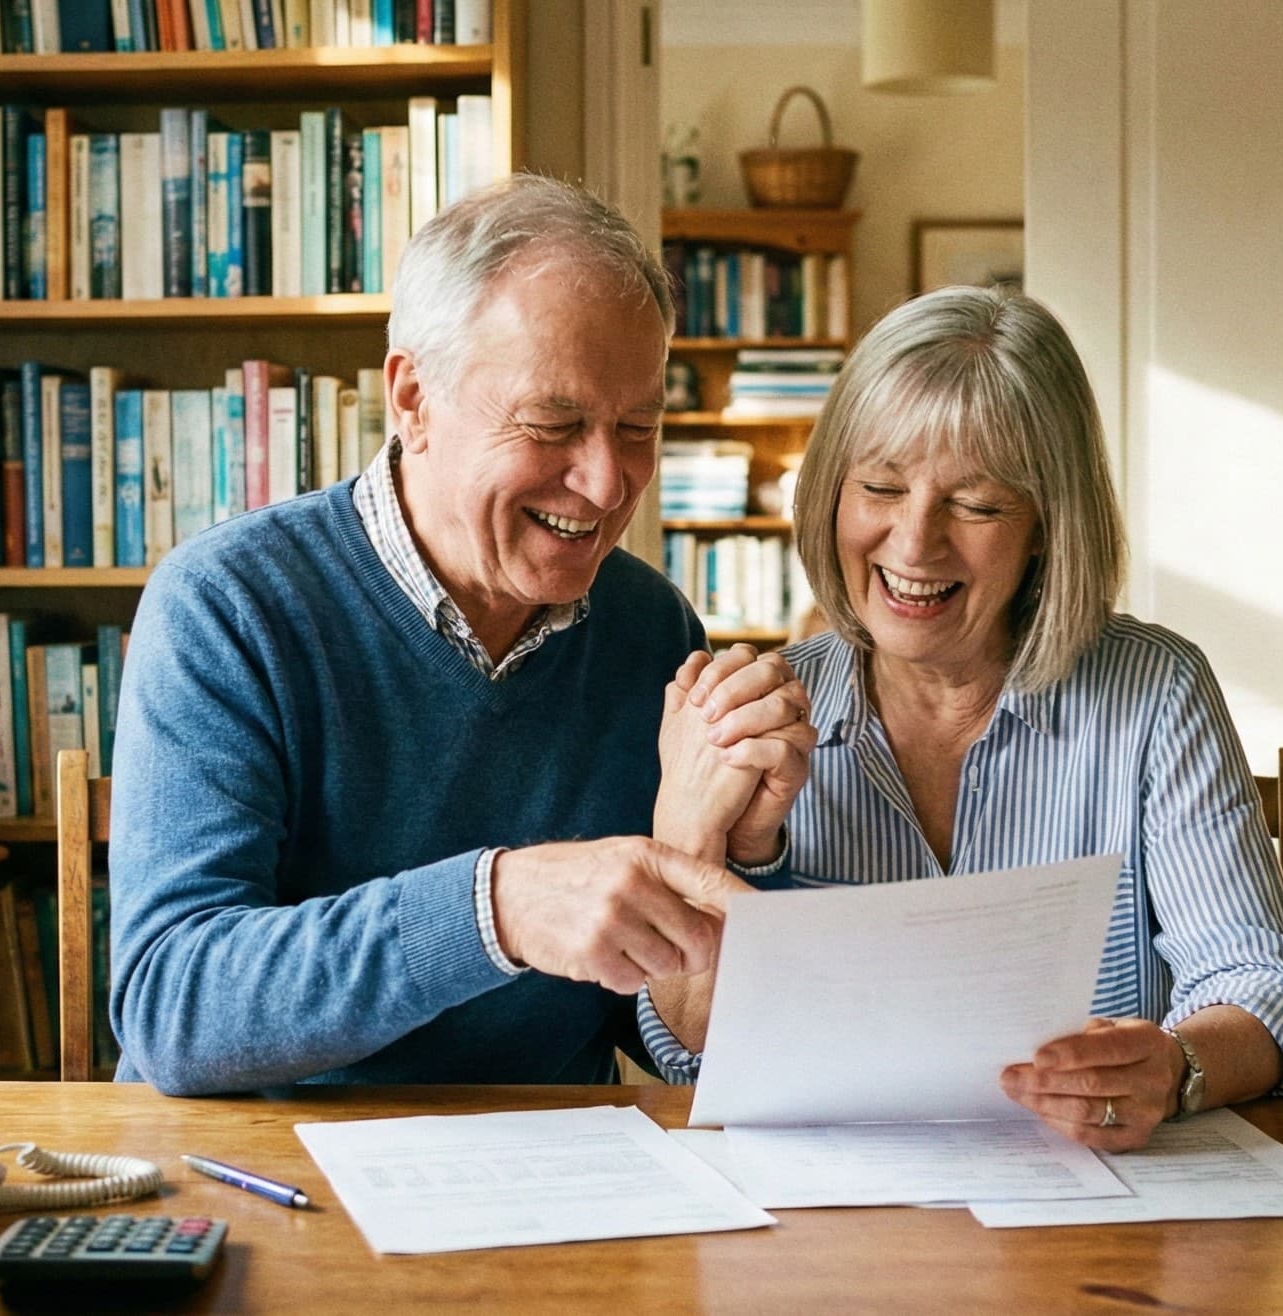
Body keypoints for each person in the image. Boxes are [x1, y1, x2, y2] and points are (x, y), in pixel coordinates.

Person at [110, 175, 813, 1096]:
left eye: (638, 426)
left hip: (547, 1173)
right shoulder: (229, 604)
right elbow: (175, 1007)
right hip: (275, 1174)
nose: (607, 485)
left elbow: (665, 1033)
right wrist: (495, 909)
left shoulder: (650, 627)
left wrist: (730, 851)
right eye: (551, 424)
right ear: (413, 398)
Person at [644, 285, 1283, 1149]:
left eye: (975, 504)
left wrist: (1176, 1066)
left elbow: (1271, 989)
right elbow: (686, 1053)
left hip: (1098, 1225)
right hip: (831, 1223)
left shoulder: (1154, 691)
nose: (914, 543)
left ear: (1047, 524)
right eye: (881, 487)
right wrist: (697, 841)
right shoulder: (760, 721)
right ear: (830, 495)